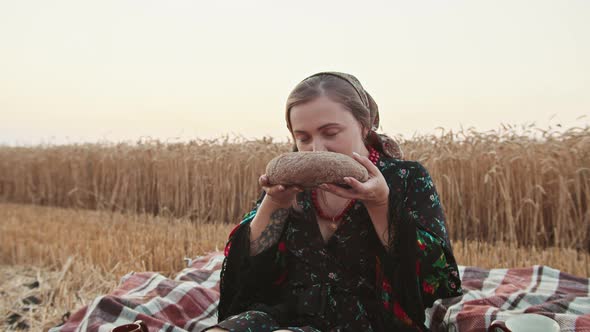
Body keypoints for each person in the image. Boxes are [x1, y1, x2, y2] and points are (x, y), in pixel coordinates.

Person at [202, 72, 462, 332]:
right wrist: (274, 204)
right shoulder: (292, 182)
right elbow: (246, 268)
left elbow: (434, 276)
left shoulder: (406, 177)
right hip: (288, 312)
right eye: (303, 138)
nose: (317, 148)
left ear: (364, 125)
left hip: (371, 320)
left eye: (330, 133)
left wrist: (380, 205)